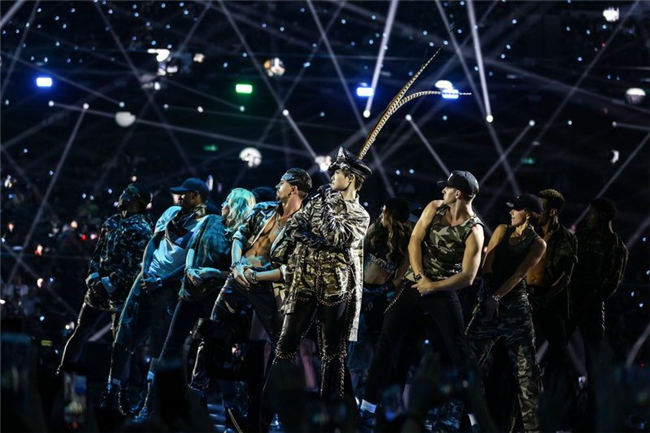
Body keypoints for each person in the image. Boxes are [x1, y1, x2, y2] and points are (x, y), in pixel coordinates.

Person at [359, 170, 485, 431]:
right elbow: (415, 241)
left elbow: (468, 277)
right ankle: (368, 408)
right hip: (414, 283)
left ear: (458, 194)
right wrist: (420, 277)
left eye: (447, 188)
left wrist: (433, 286)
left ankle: (475, 420)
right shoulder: (435, 207)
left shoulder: (474, 230)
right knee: (387, 341)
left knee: (459, 352)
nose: (443, 191)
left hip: (443, 290)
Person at [188, 168, 312, 427]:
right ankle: (196, 392)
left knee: (280, 348)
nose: (276, 186)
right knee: (210, 332)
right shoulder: (263, 209)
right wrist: (236, 265)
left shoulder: (303, 225)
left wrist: (257, 276)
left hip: (266, 288)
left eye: (281, 183)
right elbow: (239, 236)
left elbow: (291, 270)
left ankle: (266, 409)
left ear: (293, 188)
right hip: (238, 279)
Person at [134, 188, 256, 420]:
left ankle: (224, 408)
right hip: (190, 292)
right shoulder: (211, 221)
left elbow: (237, 271)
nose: (223, 204)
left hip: (216, 298)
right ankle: (152, 405)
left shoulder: (244, 235)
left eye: (228, 201)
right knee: (171, 345)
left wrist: (211, 272)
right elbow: (192, 246)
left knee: (213, 350)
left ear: (237, 206)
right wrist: (190, 268)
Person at [263, 147, 371, 408]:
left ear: (351, 178)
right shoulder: (316, 202)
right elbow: (294, 226)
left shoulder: (360, 215)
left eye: (337, 172)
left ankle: (330, 416)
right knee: (284, 347)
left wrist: (325, 208)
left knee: (332, 355)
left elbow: (337, 237)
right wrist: (315, 238)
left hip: (336, 290)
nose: (331, 176)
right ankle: (263, 416)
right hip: (303, 284)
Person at [100, 178, 209, 415]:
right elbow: (152, 243)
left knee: (159, 344)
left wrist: (161, 281)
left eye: (184, 194)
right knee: (124, 332)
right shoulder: (172, 212)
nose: (179, 198)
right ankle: (113, 390)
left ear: (196, 196)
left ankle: (149, 400)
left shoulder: (204, 225)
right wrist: (146, 272)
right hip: (146, 279)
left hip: (169, 288)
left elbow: (190, 264)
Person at [466, 194, 546, 433]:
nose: (511, 213)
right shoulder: (502, 230)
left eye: (516, 209)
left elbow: (520, 274)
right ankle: (469, 421)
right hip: (488, 304)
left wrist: (496, 298)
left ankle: (534, 429)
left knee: (526, 374)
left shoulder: (538, 243)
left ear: (528, 214)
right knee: (466, 361)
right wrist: (488, 298)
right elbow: (487, 265)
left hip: (515, 312)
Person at [57, 184, 153, 374]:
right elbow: (97, 253)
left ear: (135, 200)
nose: (121, 195)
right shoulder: (111, 222)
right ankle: (63, 372)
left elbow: (134, 266)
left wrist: (109, 283)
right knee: (81, 330)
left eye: (126, 193)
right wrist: (94, 278)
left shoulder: (143, 229)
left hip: (122, 294)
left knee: (120, 342)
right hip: (98, 289)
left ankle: (116, 385)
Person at [569, 197, 628, 429]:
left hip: (591, 306)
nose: (589, 217)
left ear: (603, 216)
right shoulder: (581, 236)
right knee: (557, 352)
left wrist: (590, 298)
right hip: (571, 302)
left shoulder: (616, 246)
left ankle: (591, 414)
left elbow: (612, 283)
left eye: (593, 213)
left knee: (594, 362)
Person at [347, 198, 413, 393]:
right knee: (353, 341)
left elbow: (401, 277)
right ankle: (347, 393)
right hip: (359, 290)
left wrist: (377, 293)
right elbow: (357, 257)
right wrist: (359, 288)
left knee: (374, 344)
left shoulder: (406, 242)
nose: (381, 214)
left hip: (379, 297)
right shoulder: (375, 230)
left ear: (392, 215)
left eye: (385, 211)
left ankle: (370, 393)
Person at [526, 189, 578, 388]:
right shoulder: (529, 232)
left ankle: (551, 394)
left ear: (553, 211)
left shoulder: (567, 239)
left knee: (558, 352)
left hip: (551, 302)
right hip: (526, 297)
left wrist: (545, 298)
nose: (536, 212)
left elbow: (565, 277)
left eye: (541, 207)